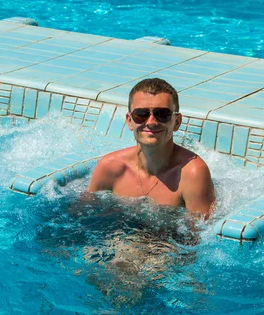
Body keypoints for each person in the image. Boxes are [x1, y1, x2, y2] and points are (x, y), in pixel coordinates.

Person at [87, 78, 215, 218]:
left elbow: (198, 236)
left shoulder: (192, 174)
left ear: (177, 122)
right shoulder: (111, 166)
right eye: (141, 114)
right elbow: (82, 218)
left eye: (163, 115)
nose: (151, 122)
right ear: (130, 121)